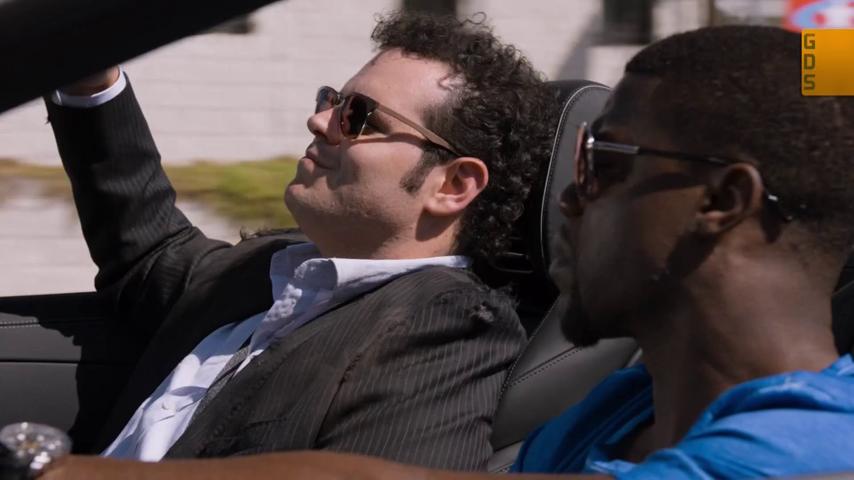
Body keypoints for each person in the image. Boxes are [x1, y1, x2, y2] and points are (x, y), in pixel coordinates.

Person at [43, 24, 854, 480]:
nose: (569, 197)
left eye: (602, 162)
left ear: (723, 201)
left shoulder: (806, 455)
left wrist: (43, 466)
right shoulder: (617, 413)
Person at [41, 11, 558, 470]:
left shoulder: (448, 329)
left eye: (357, 117)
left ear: (453, 185)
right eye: (332, 100)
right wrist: (90, 81)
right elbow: (152, 252)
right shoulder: (277, 268)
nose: (318, 120)